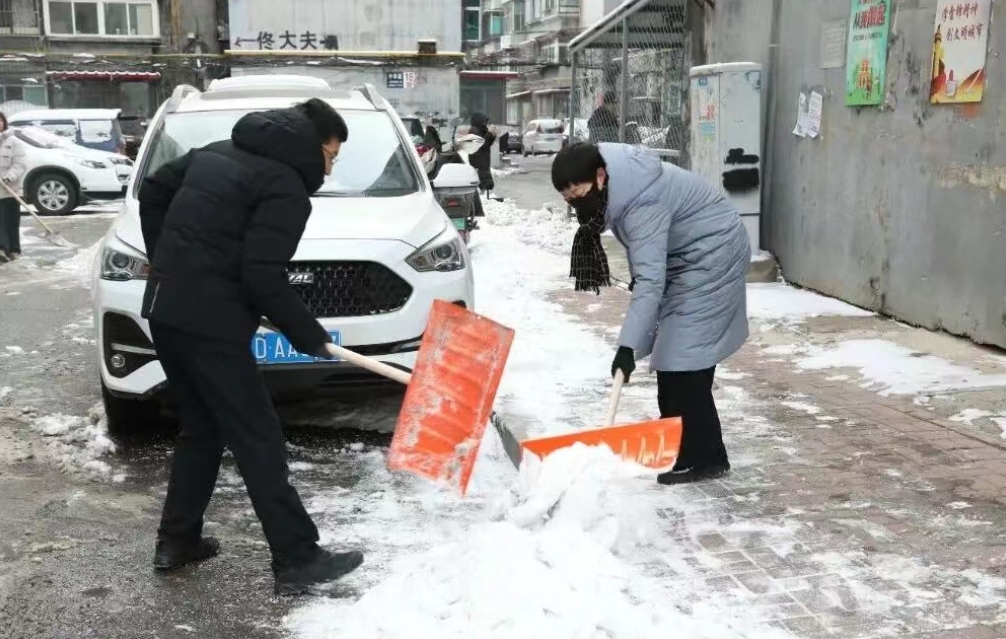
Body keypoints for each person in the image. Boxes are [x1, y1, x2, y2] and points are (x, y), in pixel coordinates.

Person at [137, 98, 363, 595]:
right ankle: (297, 557)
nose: (330, 166)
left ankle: (177, 541)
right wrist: (310, 336)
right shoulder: (285, 187)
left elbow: (153, 193)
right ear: (313, 144)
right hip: (210, 323)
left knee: (201, 427)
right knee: (257, 437)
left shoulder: (214, 152)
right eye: (332, 155)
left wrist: (168, 261)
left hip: (166, 310)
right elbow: (263, 276)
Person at [551, 142, 750, 485]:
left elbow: (649, 281)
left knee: (683, 361)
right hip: (686, 260)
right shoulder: (620, 190)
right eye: (567, 197)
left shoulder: (641, 200)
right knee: (673, 362)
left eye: (578, 192)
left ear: (600, 176)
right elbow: (649, 270)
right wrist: (633, 344)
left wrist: (627, 348)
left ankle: (706, 458)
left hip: (712, 256)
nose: (575, 201)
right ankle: (684, 451)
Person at [0, 112, 26, 263]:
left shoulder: (12, 142)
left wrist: (9, 177)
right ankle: (2, 249)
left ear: (4, 123)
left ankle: (14, 250)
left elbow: (20, 163)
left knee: (11, 221)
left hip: (10, 190)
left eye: (0, 120)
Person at [468, 112, 496, 194]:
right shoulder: (474, 130)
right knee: (481, 179)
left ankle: (483, 194)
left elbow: (487, 144)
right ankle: (481, 195)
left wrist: (492, 135)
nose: (486, 123)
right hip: (478, 159)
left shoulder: (481, 129)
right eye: (484, 121)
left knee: (484, 178)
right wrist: (490, 133)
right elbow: (482, 143)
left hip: (483, 158)